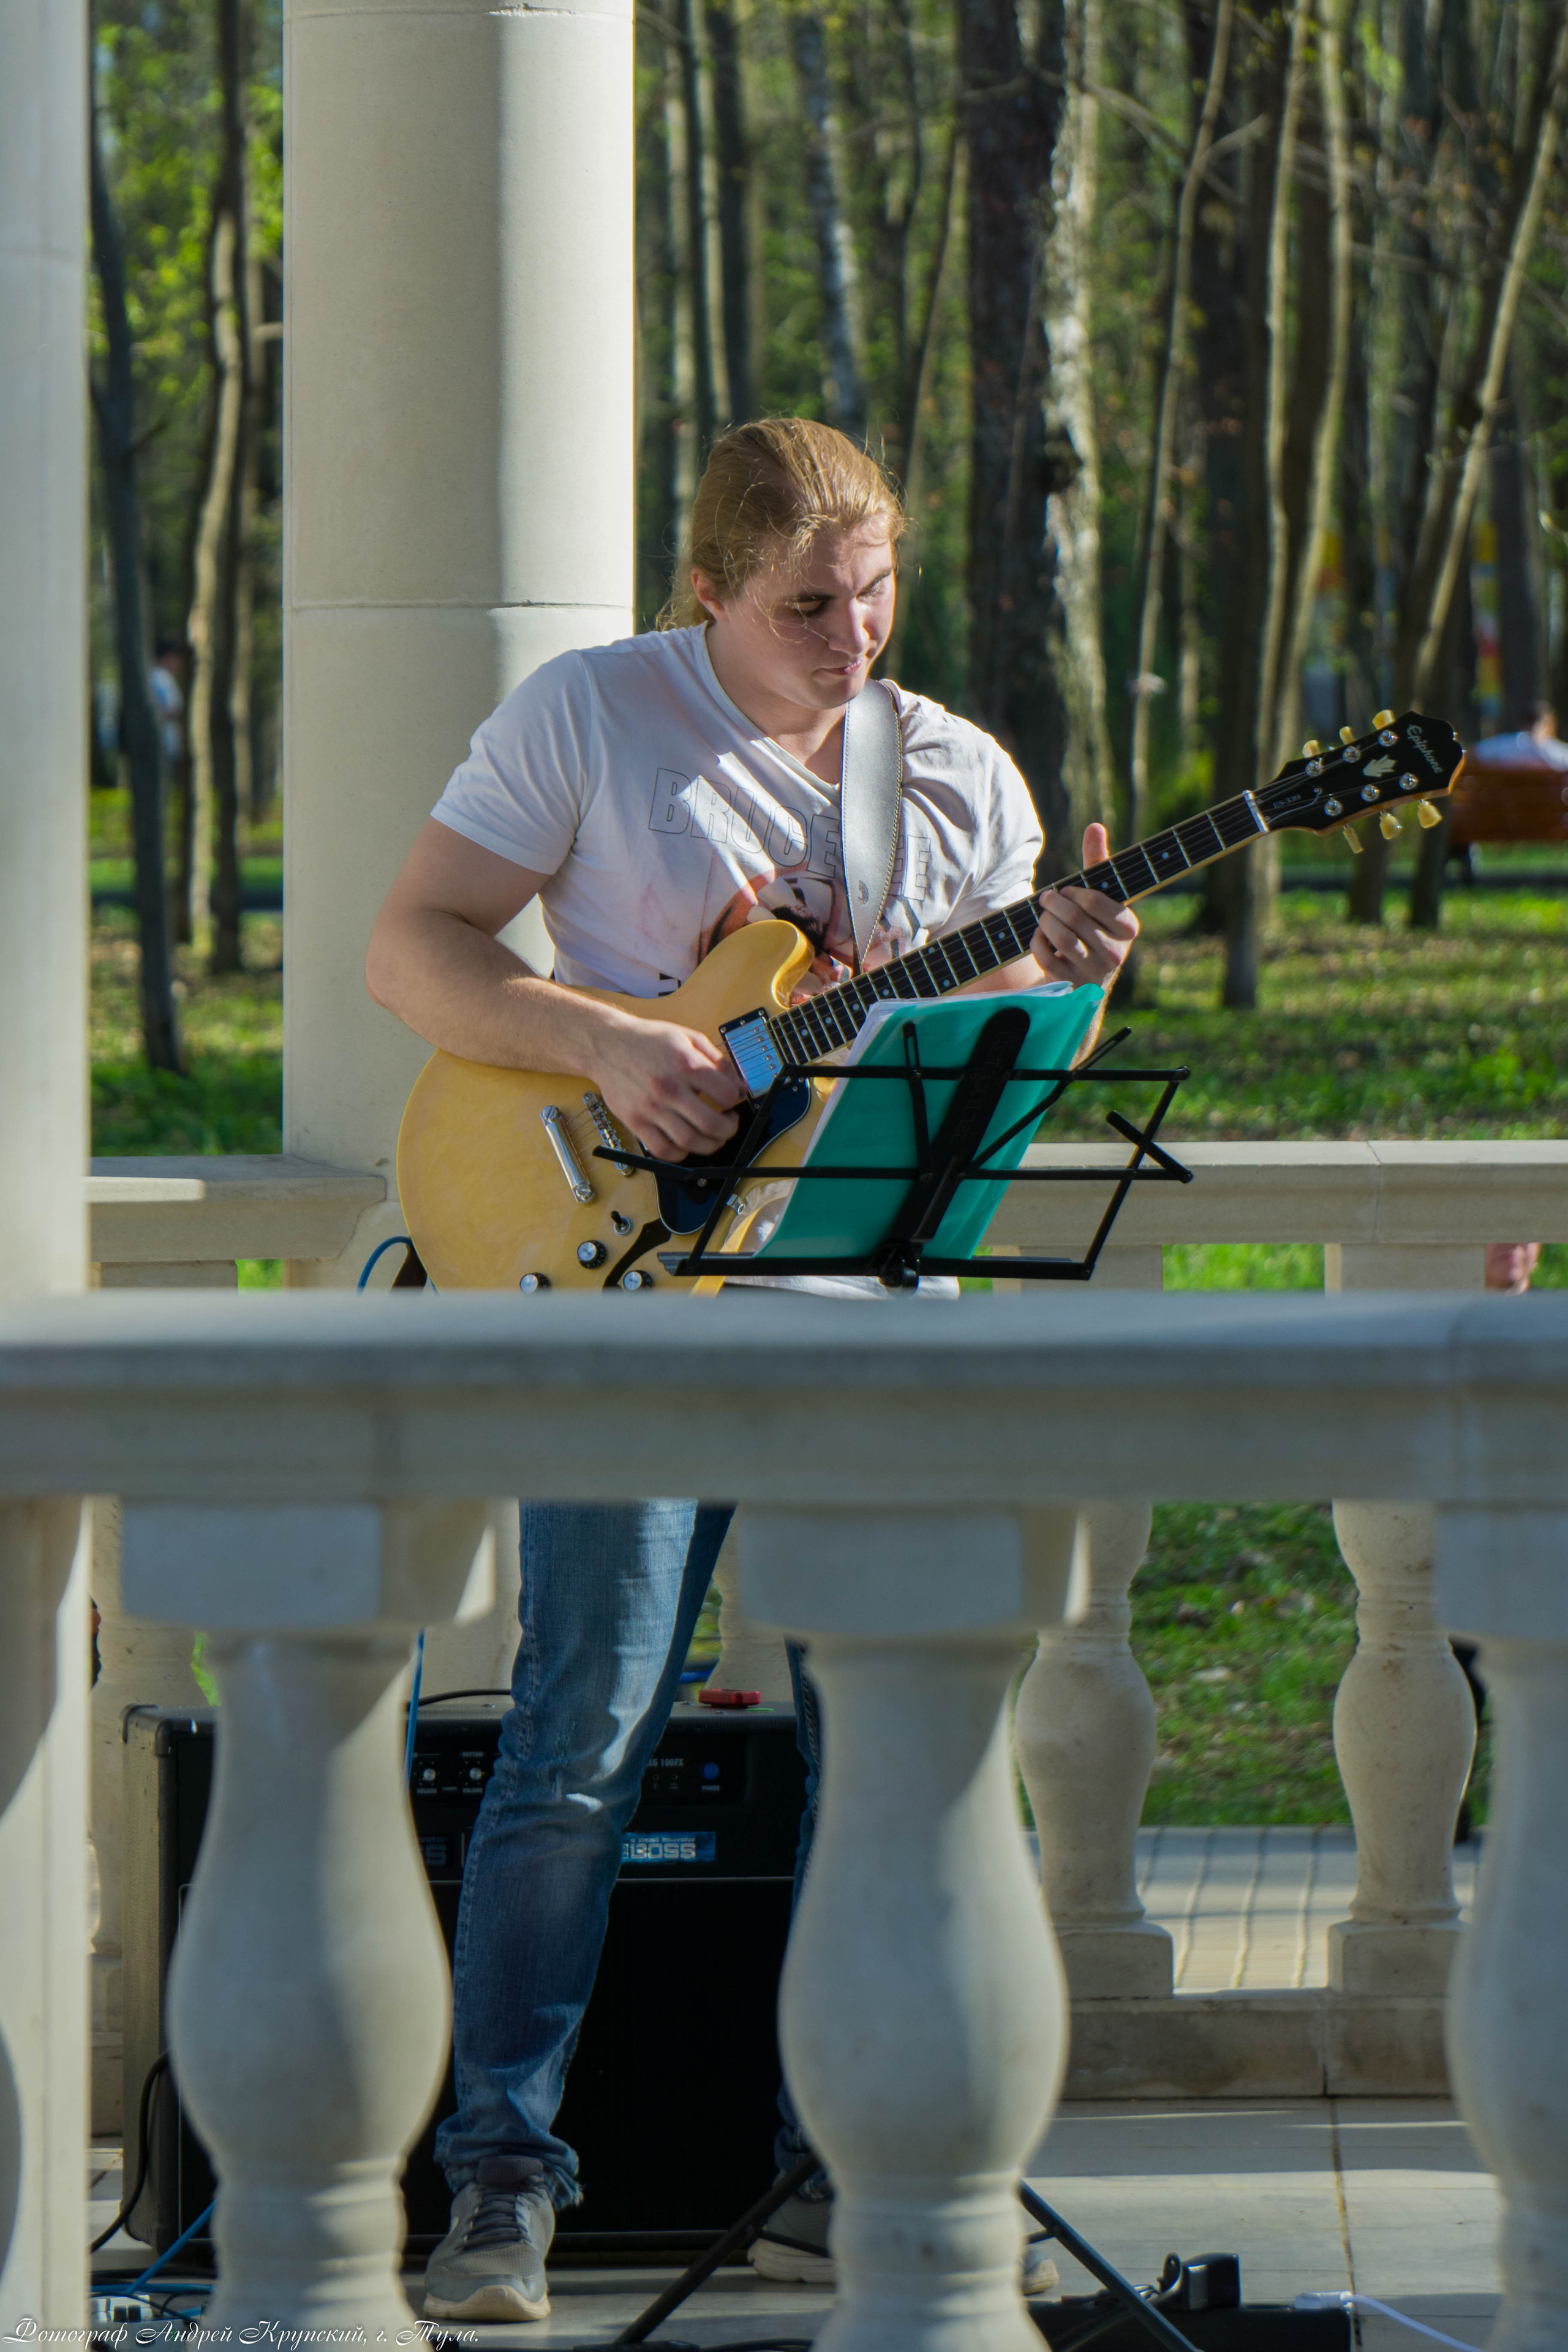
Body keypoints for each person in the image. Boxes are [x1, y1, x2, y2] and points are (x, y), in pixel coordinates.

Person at [365, 417, 1139, 2323]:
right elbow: (411, 945)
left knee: (885, 1750)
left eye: (877, 594)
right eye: (806, 603)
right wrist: (610, 1040)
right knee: (578, 1741)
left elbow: (984, 1061)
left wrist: (1081, 968)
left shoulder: (955, 772)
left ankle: (833, 2169)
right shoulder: (591, 716)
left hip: (864, 1299)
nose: (852, 635)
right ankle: (498, 2184)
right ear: (703, 590)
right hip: (620, 1276)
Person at [1469, 699, 1568, 770]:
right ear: (1549, 725)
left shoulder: (1505, 744)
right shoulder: (1554, 749)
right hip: (1548, 799)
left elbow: (1474, 753)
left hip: (1505, 799)